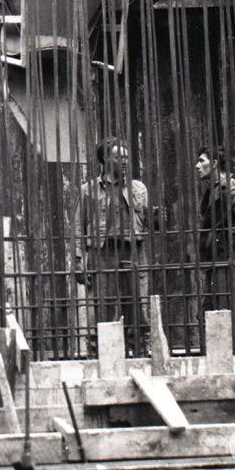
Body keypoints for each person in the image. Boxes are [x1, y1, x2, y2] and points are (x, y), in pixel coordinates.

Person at [73, 137, 157, 348]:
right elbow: (78, 227)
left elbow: (149, 222)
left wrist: (155, 219)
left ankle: (140, 350)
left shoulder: (138, 188)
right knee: (102, 306)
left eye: (127, 157)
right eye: (119, 157)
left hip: (133, 250)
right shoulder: (89, 190)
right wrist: (78, 259)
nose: (125, 161)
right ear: (106, 159)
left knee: (138, 304)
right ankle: (99, 352)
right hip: (103, 253)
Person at [195, 145, 235, 350]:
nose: (197, 166)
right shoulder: (213, 188)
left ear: (214, 164)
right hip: (216, 257)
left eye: (202, 161)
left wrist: (227, 239)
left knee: (228, 305)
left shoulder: (228, 187)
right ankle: (218, 350)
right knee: (212, 305)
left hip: (227, 256)